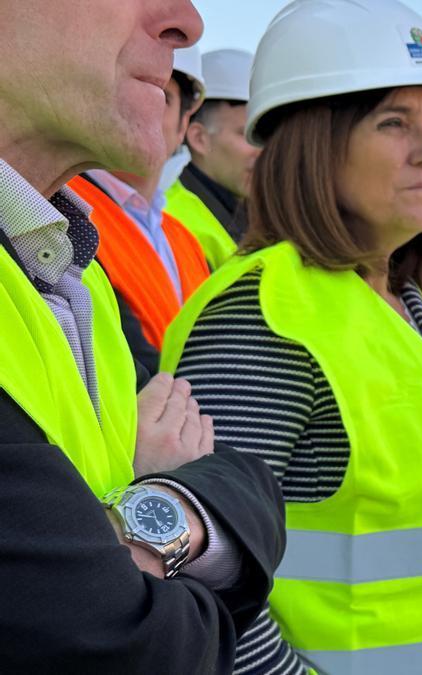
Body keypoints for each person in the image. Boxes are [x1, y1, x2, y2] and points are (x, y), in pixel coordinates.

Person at [159, 1, 422, 672]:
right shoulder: (263, 316)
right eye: (393, 123)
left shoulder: (412, 303)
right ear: (311, 141)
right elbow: (199, 577)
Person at [0, 1, 285, 671]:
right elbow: (135, 648)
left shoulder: (74, 269)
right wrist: (172, 514)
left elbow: (250, 474)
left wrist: (136, 527)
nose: (188, 21)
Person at [69, 44, 211, 372]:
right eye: (134, 87)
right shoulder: (61, 208)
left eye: (162, 95)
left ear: (185, 123)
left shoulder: (184, 240)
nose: (143, 106)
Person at [166, 48, 260, 268]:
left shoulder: (252, 215)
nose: (264, 151)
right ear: (199, 139)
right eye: (248, 135)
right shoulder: (173, 221)